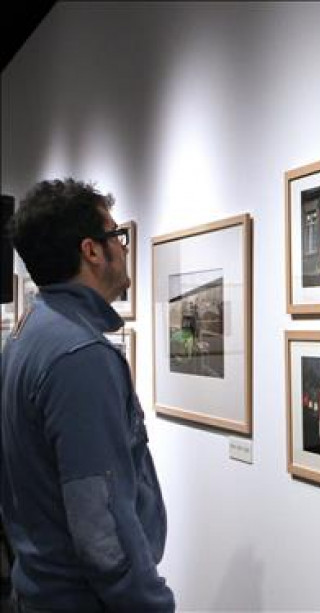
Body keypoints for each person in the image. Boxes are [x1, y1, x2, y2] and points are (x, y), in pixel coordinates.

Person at [1, 178, 175, 611]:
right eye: (116, 235)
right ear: (91, 250)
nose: (124, 246)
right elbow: (101, 531)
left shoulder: (29, 333)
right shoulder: (80, 356)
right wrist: (152, 604)